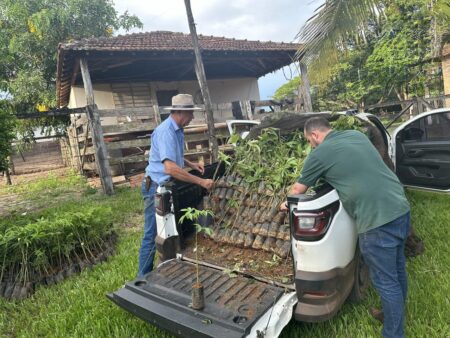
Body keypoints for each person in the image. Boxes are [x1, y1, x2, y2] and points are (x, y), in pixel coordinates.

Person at [281, 117, 410, 338]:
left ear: (314, 135)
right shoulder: (356, 135)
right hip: (400, 207)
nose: (310, 146)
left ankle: (393, 333)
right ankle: (393, 315)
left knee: (386, 280)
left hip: (376, 220)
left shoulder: (319, 154)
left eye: (309, 141)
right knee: (397, 270)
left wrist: (284, 203)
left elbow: (298, 190)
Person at [138, 94, 214, 277]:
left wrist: (191, 165)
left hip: (165, 185)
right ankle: (142, 278)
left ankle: (168, 264)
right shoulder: (166, 131)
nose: (192, 118)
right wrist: (201, 181)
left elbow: (173, 155)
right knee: (152, 234)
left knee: (168, 229)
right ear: (180, 112)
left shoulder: (177, 129)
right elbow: (171, 168)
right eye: (190, 114)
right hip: (155, 186)